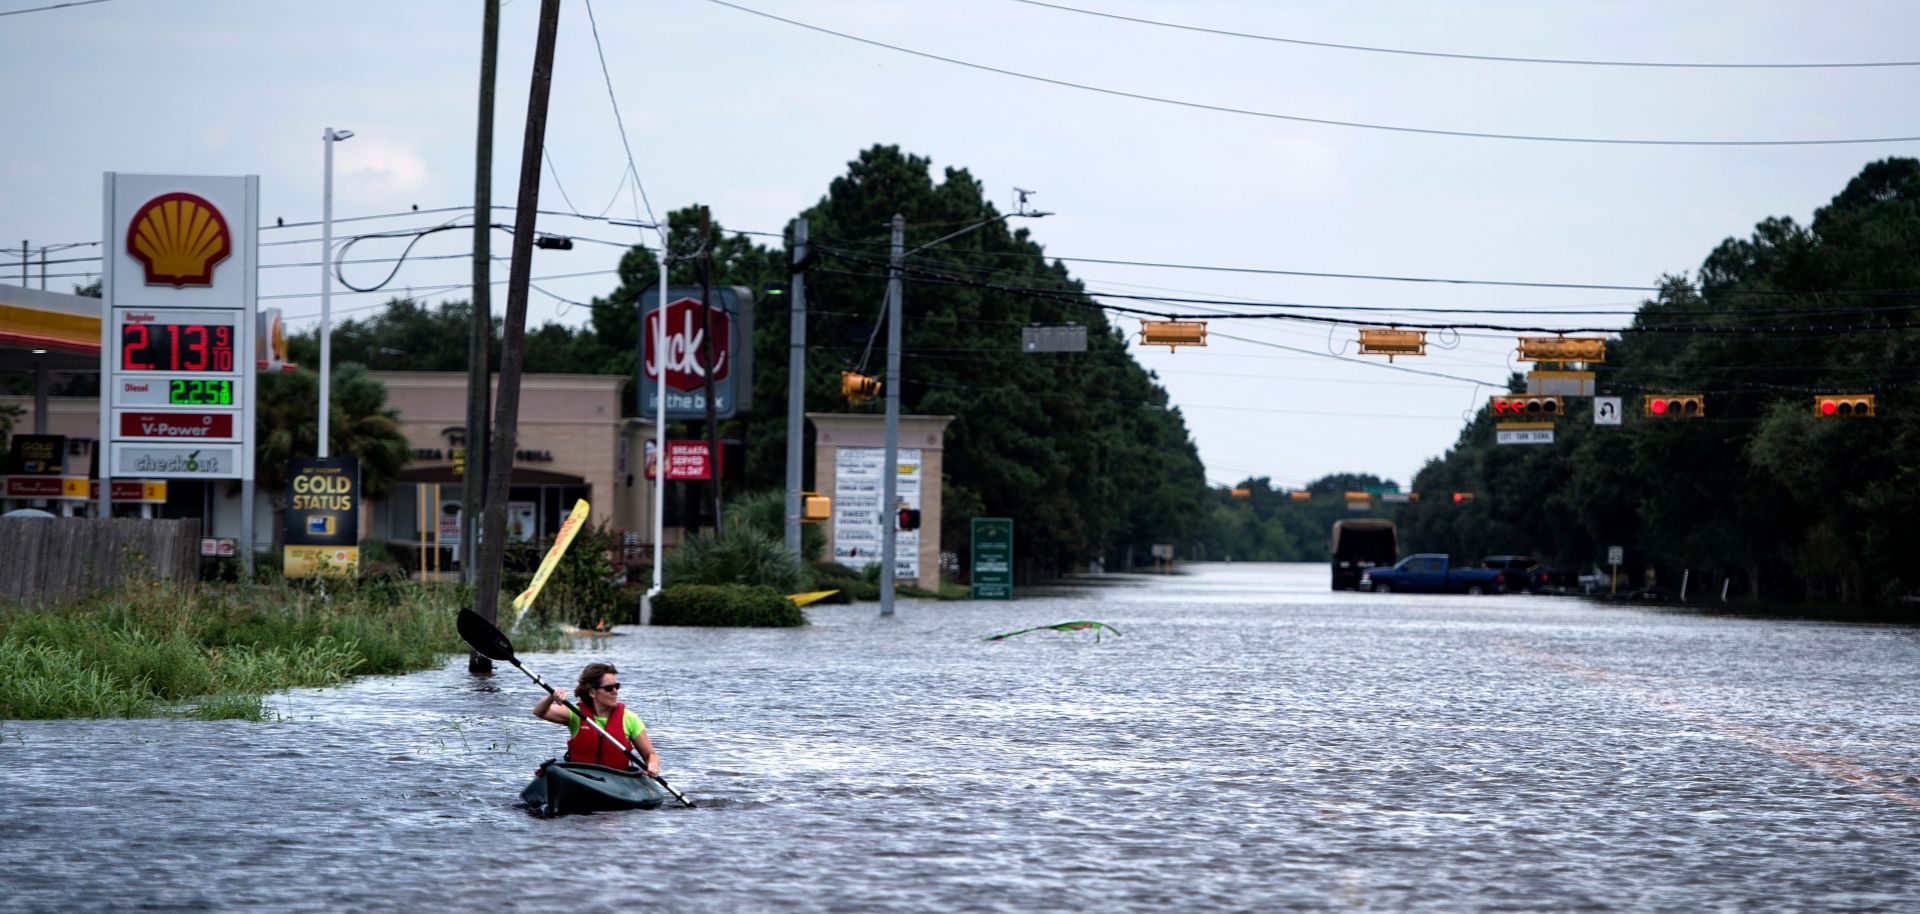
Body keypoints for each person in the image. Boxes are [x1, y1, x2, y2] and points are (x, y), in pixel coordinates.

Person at [533, 661, 661, 777]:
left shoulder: (630, 719)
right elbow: (539, 711)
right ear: (592, 692)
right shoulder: (576, 714)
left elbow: (650, 754)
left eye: (617, 686)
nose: (615, 691)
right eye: (609, 688)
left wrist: (652, 765)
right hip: (580, 778)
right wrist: (551, 696)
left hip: (617, 782)